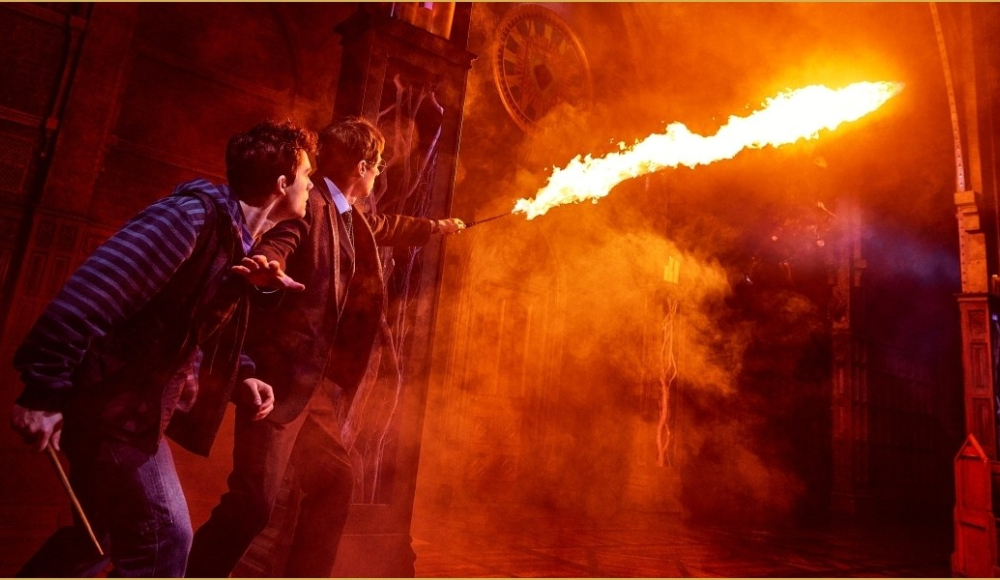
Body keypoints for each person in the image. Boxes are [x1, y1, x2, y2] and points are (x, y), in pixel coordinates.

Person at [9, 119, 317, 577]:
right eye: (307, 175)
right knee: (165, 541)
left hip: (138, 408)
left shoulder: (235, 237)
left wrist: (244, 373)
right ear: (281, 182)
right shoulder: (189, 218)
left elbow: (190, 326)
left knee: (99, 537)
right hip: (113, 408)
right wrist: (42, 393)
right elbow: (91, 294)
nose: (311, 185)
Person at [186, 116, 464, 577]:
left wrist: (437, 226)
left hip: (309, 390)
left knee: (335, 481)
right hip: (278, 381)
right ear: (362, 167)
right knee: (253, 504)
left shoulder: (349, 215)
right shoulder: (309, 208)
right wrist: (267, 265)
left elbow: (387, 224)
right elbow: (281, 238)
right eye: (376, 169)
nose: (378, 177)